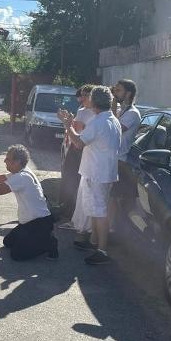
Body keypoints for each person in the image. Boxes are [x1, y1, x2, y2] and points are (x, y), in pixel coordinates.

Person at [59, 86, 121, 265]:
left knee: (99, 212)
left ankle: (102, 250)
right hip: (105, 172)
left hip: (96, 173)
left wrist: (67, 125)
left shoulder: (98, 121)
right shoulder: (112, 119)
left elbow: (78, 142)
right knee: (97, 210)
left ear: (94, 102)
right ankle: (95, 243)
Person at [0, 145, 58, 262]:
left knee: (17, 255)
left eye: (7, 159)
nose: (4, 161)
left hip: (39, 224)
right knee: (8, 242)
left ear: (17, 162)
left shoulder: (22, 177)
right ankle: (39, 239)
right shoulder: (22, 171)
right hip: (30, 223)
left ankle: (49, 242)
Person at [58, 84, 94, 225]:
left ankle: (74, 213)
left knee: (78, 181)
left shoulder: (95, 113)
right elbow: (75, 131)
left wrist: (70, 124)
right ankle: (67, 209)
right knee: (69, 178)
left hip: (85, 150)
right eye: (82, 95)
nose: (83, 98)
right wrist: (67, 122)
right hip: (75, 148)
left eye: (87, 95)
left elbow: (79, 131)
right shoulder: (82, 110)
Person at [110, 79, 142, 223]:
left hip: (121, 162)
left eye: (118, 90)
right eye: (114, 90)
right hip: (114, 160)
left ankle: (114, 230)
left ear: (128, 93)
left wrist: (112, 104)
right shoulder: (122, 110)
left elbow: (115, 129)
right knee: (111, 198)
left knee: (115, 199)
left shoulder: (133, 114)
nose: (115, 93)